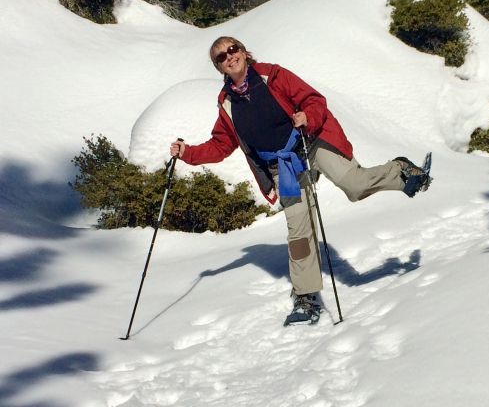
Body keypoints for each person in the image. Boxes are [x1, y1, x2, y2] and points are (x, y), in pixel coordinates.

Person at [170, 36, 431, 326]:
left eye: (232, 50)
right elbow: (220, 145)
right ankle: (306, 297)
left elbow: (313, 99)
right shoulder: (227, 104)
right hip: (282, 165)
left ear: (244, 52)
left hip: (312, 142)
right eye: (221, 57)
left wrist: (308, 115)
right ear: (219, 68)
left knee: (355, 185)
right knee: (299, 232)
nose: (229, 57)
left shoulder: (273, 76)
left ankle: (401, 170)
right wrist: (187, 153)